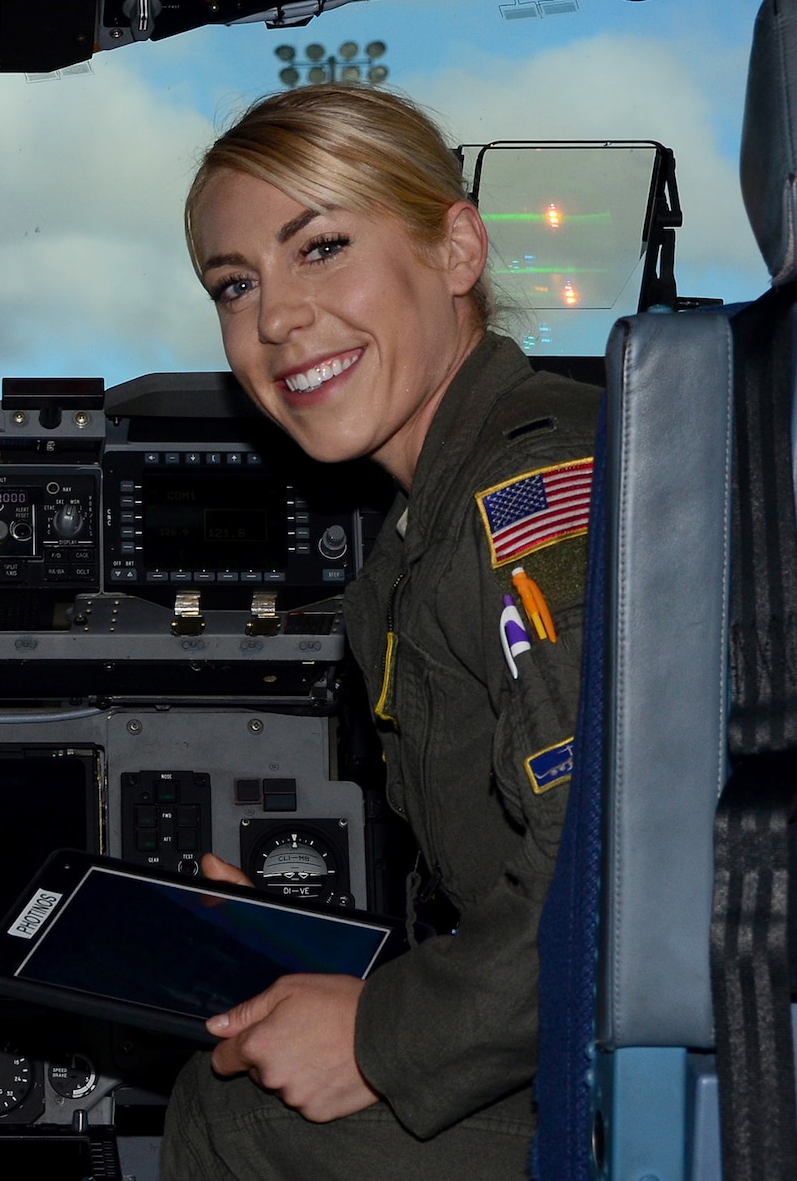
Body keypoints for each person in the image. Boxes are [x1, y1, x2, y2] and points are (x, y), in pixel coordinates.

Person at [158, 85, 596, 1179]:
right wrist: (331, 961)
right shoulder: (426, 526)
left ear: (455, 249)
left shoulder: (523, 494)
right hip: (588, 1024)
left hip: (665, 1065)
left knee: (231, 1111)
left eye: (321, 248)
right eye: (235, 283)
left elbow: (617, 853)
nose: (272, 320)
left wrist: (376, 1035)